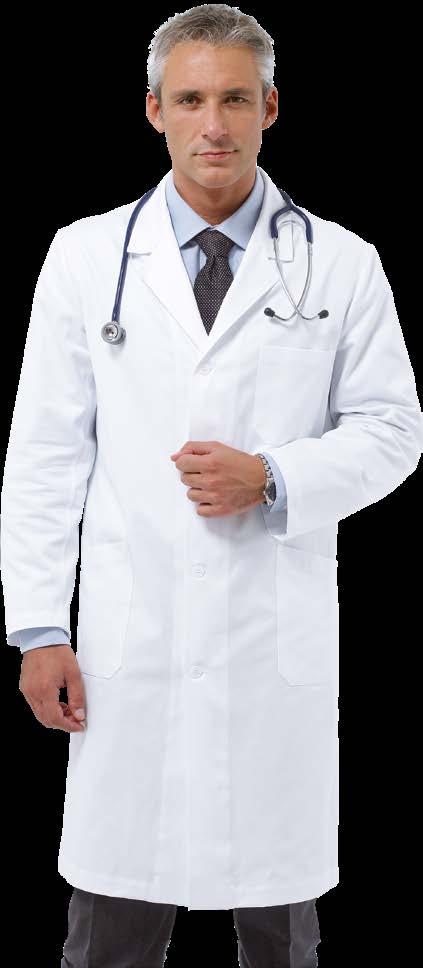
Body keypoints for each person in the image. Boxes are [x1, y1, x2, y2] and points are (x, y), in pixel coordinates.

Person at [1, 5, 422, 967]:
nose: (214, 125)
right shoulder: (85, 257)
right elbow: (45, 455)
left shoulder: (342, 264)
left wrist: (272, 476)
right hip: (129, 643)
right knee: (112, 925)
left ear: (270, 107)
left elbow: (394, 430)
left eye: (236, 99)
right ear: (154, 110)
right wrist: (39, 628)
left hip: (268, 642)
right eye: (190, 100)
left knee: (278, 929)